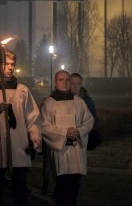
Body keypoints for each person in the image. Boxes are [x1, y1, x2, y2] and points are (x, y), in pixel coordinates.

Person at [0, 50, 42, 206]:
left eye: (12, 64)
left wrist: (34, 135)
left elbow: (33, 117)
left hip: (19, 145)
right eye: (6, 64)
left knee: (19, 189)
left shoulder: (22, 90)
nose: (10, 67)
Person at [41, 70, 94, 206]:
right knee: (62, 185)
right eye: (60, 79)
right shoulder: (48, 103)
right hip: (60, 150)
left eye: (67, 80)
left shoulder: (79, 101)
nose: (64, 82)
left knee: (75, 184)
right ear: (55, 82)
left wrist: (79, 131)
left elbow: (89, 120)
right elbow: (44, 127)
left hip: (77, 150)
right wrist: (65, 132)